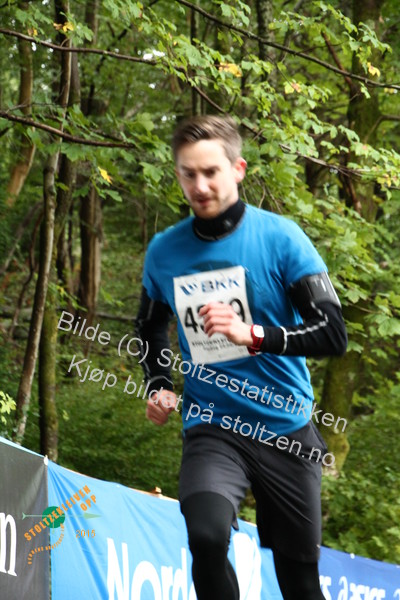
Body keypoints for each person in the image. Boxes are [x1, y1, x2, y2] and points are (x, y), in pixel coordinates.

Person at [135, 114, 347, 600]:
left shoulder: (281, 238)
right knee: (206, 535)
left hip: (285, 427)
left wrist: (253, 335)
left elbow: (332, 333)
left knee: (300, 584)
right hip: (213, 424)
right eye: (189, 174)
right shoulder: (165, 251)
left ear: (238, 169)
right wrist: (159, 384)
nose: (200, 186)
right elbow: (149, 325)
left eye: (211, 172)